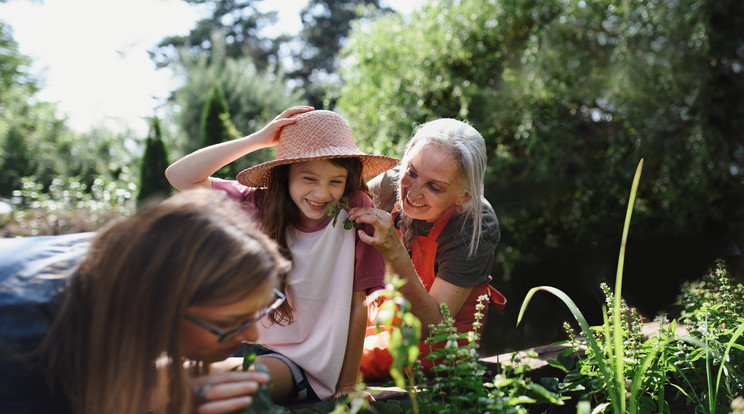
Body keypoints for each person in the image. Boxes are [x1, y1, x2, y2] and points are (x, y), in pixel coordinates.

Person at [165, 107, 399, 402]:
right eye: (309, 179)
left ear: (348, 180)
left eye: (335, 181)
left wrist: (348, 385)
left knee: (210, 387)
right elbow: (180, 177)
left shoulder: (355, 211)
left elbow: (357, 304)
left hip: (303, 363)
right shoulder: (260, 202)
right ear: (285, 174)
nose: (322, 193)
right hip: (245, 342)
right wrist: (259, 139)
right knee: (160, 371)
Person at [0, 189, 291, 414]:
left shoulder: (132, 262)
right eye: (227, 323)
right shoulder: (30, 342)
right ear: (161, 309)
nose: (253, 335)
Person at [347, 118, 505, 380]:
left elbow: (435, 329)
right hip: (379, 322)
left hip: (436, 348)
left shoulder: (476, 224)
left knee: (332, 362)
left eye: (434, 187)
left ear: (463, 195)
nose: (413, 192)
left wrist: (393, 251)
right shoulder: (389, 186)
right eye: (411, 172)